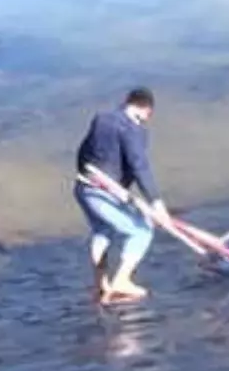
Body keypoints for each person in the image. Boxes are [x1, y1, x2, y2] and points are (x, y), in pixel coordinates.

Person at [73, 87, 172, 302]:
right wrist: (156, 203)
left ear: (127, 101)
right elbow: (139, 166)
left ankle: (101, 285)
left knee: (103, 230)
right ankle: (122, 281)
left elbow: (82, 154)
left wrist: (125, 195)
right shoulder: (133, 130)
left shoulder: (101, 119)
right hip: (102, 193)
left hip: (83, 188)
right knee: (142, 231)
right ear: (147, 111)